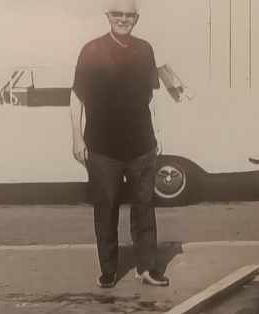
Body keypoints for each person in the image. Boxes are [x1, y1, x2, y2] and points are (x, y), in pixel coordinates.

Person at [70, 0, 169, 288]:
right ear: (108, 16)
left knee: (144, 206)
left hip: (141, 143)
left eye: (129, 15)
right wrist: (77, 135)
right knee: (106, 207)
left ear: (136, 18)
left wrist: (159, 133)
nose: (123, 20)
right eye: (118, 14)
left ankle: (147, 268)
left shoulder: (145, 49)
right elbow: (76, 96)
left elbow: (153, 95)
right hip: (102, 146)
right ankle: (109, 269)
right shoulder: (92, 50)